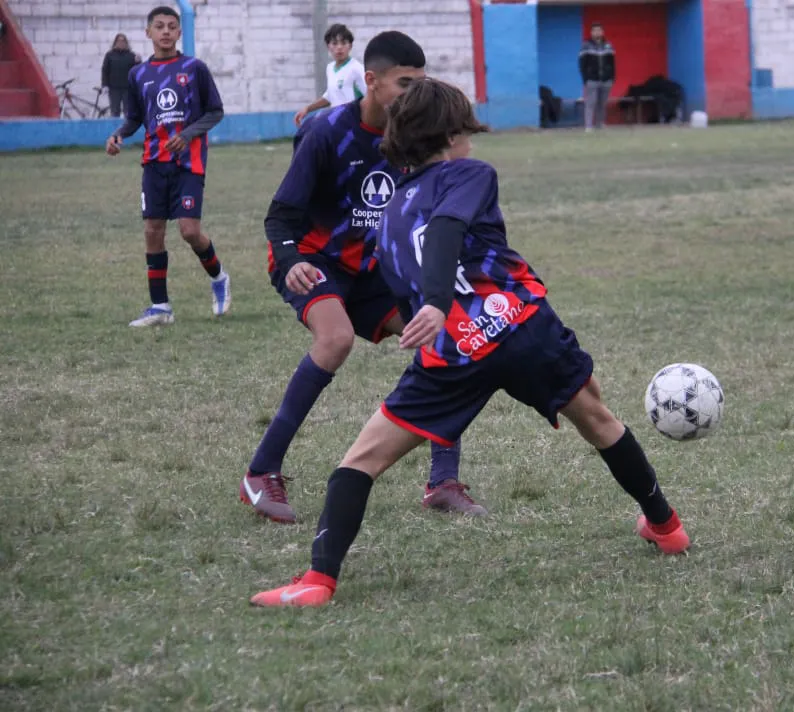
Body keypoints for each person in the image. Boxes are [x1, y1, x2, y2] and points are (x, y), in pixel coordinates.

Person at [250, 77, 690, 608]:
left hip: (452, 353)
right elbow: (444, 231)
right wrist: (439, 299)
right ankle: (666, 528)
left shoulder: (386, 222)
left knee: (358, 463)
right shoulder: (471, 173)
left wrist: (433, 312)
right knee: (597, 417)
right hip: (520, 326)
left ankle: (318, 582)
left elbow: (413, 281)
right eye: (468, 132)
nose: (473, 143)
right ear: (453, 135)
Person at [241, 32, 483, 526]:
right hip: (313, 260)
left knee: (445, 339)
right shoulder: (326, 131)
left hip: (372, 271)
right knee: (335, 339)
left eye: (421, 84)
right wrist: (291, 262)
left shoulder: (412, 141)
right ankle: (261, 471)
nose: (413, 95)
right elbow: (280, 216)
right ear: (370, 81)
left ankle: (442, 482)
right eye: (404, 84)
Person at [105, 6, 230, 327]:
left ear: (179, 33)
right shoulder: (138, 75)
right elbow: (134, 118)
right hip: (154, 164)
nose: (165, 31)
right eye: (159, 26)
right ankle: (160, 307)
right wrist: (119, 135)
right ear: (148, 32)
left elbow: (214, 111)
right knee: (152, 231)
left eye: (172, 27)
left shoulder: (194, 68)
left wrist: (188, 135)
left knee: (189, 231)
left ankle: (218, 277)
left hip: (189, 163)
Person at [294, 23, 367, 126]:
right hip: (336, 124)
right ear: (328, 46)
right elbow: (330, 96)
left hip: (353, 126)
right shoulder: (330, 68)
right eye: (335, 43)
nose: (339, 47)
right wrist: (307, 108)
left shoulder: (357, 69)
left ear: (350, 46)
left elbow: (370, 96)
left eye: (343, 43)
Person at [578, 23, 615, 131]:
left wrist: (611, 77)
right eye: (595, 31)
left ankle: (600, 124)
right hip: (592, 80)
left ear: (602, 32)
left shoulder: (608, 45)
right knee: (591, 103)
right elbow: (582, 64)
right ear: (591, 33)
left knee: (602, 104)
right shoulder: (586, 46)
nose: (597, 33)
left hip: (606, 80)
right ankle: (588, 126)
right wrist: (586, 79)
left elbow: (612, 63)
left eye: (599, 30)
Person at [101, 34, 141, 117]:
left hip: (128, 89)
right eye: (119, 41)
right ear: (115, 42)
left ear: (126, 43)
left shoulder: (131, 55)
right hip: (114, 89)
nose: (121, 43)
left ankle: (128, 129)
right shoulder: (109, 55)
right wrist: (105, 85)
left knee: (128, 111)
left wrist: (138, 62)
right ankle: (116, 129)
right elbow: (105, 70)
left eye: (123, 41)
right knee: (115, 111)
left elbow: (137, 71)